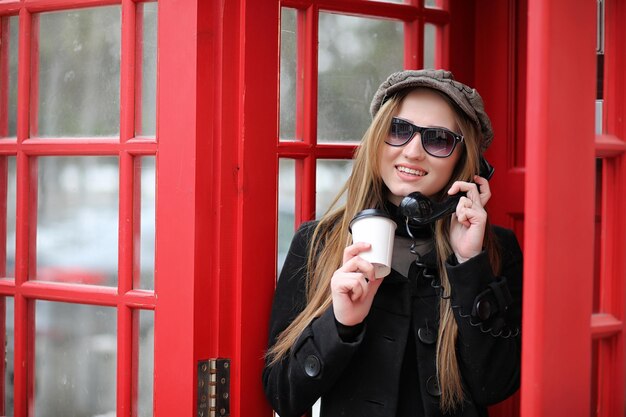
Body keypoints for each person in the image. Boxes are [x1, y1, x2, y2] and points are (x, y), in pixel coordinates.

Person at [263, 69, 523, 417]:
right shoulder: (319, 243)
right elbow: (282, 394)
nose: (413, 151)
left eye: (438, 139)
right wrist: (339, 324)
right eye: (398, 131)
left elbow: (496, 385)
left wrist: (468, 264)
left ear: (464, 161)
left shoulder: (493, 250)